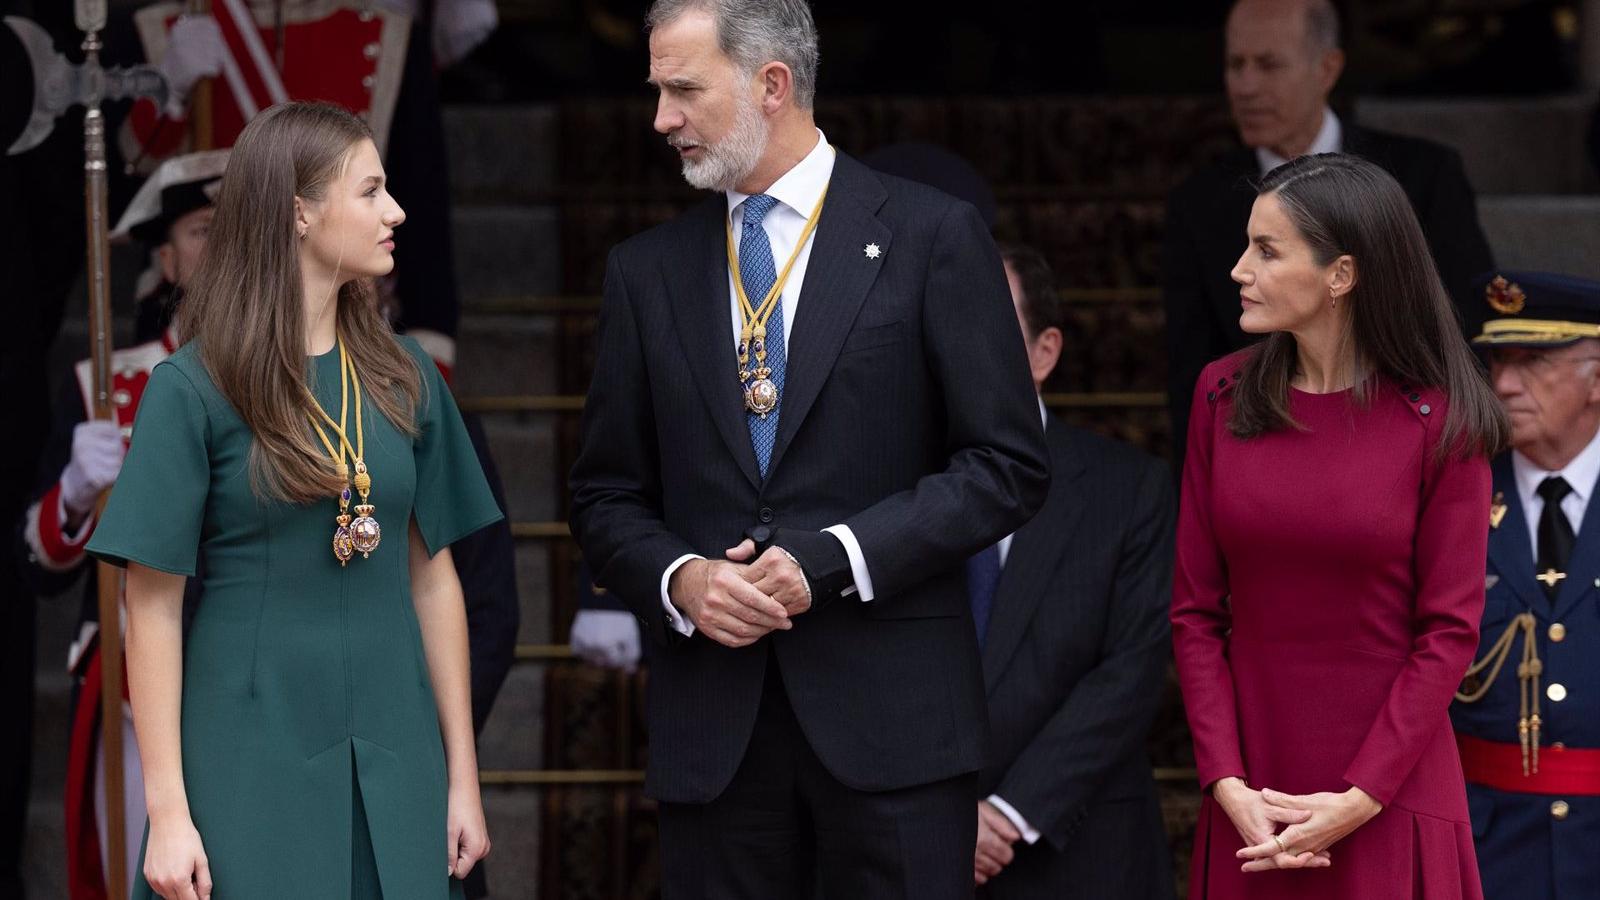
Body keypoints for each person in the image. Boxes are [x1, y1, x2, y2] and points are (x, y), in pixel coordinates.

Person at [567, 1, 1051, 897]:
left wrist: (835, 558)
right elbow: (603, 496)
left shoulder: (932, 235)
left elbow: (1007, 466)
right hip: (716, 738)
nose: (660, 118)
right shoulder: (646, 270)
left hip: (896, 734)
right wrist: (683, 580)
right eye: (657, 92)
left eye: (682, 90)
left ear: (771, 85)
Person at [84, 101, 502, 900]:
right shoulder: (191, 389)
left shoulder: (409, 375)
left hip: (398, 746)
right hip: (246, 750)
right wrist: (167, 810)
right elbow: (153, 605)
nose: (397, 212)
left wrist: (462, 775)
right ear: (300, 212)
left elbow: (434, 579)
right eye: (372, 191)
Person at [1171, 152, 1508, 899]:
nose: (1237, 269)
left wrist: (1361, 796)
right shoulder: (1219, 396)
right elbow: (1194, 614)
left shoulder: (1442, 419)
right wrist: (1225, 779)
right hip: (1252, 795)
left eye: (1266, 249)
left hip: (1389, 793)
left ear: (1341, 276)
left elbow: (1449, 632)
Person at [15, 149, 225, 900]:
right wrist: (74, 491)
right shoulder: (103, 382)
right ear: (165, 259)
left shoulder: (297, 374)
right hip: (136, 686)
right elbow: (39, 565)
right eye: (204, 229)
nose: (225, 245)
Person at [1163, 0, 1494, 466]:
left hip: (1406, 449)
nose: (1246, 86)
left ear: (1328, 68)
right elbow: (1189, 370)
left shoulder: (1423, 176)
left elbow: (1466, 330)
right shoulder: (1198, 203)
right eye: (1236, 65)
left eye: (1269, 64)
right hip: (1264, 456)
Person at [972, 244, 1173, 899]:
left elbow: (1133, 671)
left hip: (1081, 851)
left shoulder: (1128, 488)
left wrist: (1006, 814)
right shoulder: (882, 488)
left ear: (1044, 352)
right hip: (912, 848)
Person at [1450, 271, 1600, 900]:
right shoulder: (1451, 496)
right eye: (1498, 363)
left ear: (1597, 373)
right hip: (1487, 847)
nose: (1505, 385)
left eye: (1533, 362)